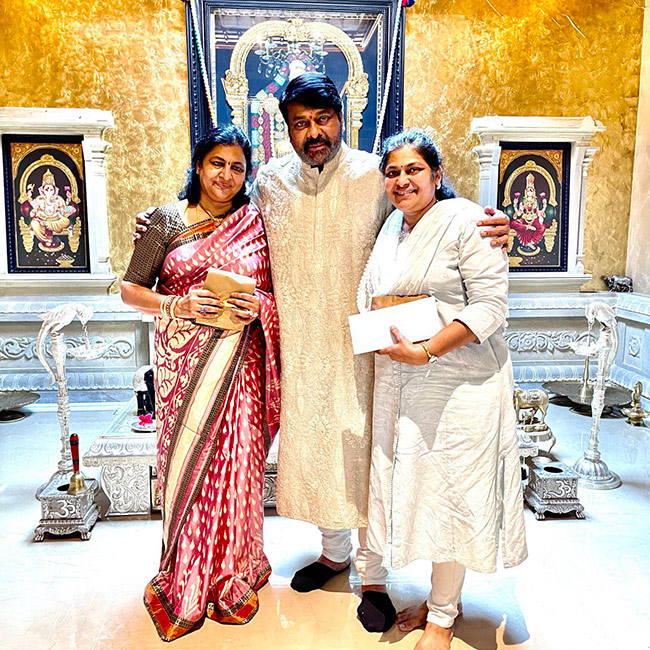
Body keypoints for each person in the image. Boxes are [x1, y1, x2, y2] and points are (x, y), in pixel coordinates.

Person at [134, 73, 510, 611]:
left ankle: (372, 575)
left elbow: (427, 207)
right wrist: (153, 225)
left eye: (323, 119)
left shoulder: (373, 174)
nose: (314, 132)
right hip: (297, 346)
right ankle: (334, 554)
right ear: (286, 129)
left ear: (342, 118)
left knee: (366, 457)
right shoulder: (270, 181)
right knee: (314, 454)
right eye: (300, 123)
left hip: (366, 350)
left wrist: (491, 221)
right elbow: (218, 215)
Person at [356, 128, 527, 650]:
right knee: (423, 496)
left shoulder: (469, 221)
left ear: (436, 174)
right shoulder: (392, 227)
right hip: (404, 384)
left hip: (461, 387)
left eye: (414, 170)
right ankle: (438, 600)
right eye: (392, 172)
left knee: (452, 497)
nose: (402, 180)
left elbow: (490, 307)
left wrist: (428, 349)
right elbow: (376, 294)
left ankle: (443, 618)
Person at [121, 125, 281, 641]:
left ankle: (234, 569)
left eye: (237, 167)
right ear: (198, 165)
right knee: (186, 465)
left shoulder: (256, 222)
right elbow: (129, 289)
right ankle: (185, 572)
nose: (226, 176)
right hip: (182, 369)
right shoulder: (165, 220)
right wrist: (179, 304)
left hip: (241, 367)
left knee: (238, 468)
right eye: (217, 163)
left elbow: (277, 290)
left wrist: (260, 305)